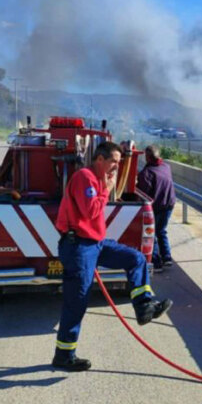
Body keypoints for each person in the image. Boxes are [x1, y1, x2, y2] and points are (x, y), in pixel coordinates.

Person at [52, 141, 172, 371]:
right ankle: (64, 355)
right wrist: (106, 189)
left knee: (136, 259)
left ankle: (143, 307)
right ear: (99, 159)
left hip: (95, 243)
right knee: (76, 302)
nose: (117, 166)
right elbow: (91, 211)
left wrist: (105, 187)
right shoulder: (85, 178)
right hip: (79, 247)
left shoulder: (97, 180)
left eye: (118, 162)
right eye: (113, 161)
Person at [137, 145, 177, 273]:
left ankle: (156, 262)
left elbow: (143, 192)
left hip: (157, 206)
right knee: (162, 231)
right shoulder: (166, 167)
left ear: (147, 157)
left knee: (152, 233)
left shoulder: (147, 173)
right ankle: (167, 257)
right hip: (169, 204)